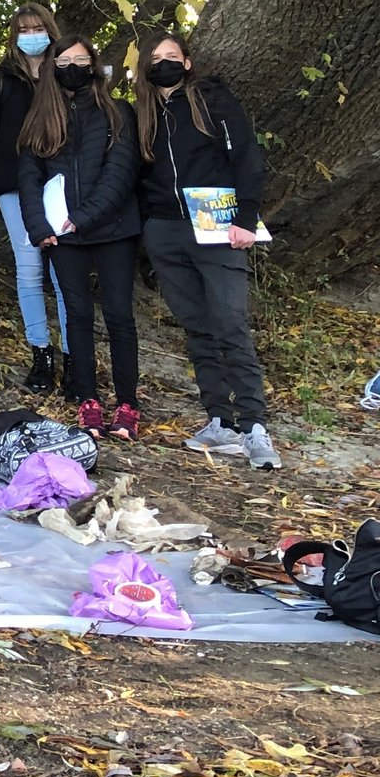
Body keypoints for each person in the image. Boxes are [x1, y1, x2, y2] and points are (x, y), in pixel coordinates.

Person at [135, 32, 278, 468]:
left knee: (230, 322)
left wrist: (245, 218)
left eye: (172, 56)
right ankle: (220, 420)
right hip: (165, 231)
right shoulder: (142, 113)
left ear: (188, 63)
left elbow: (247, 158)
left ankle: (254, 425)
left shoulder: (213, 101)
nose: (164, 64)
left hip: (218, 228)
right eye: (156, 58)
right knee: (197, 327)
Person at [17, 35, 142, 438]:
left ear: (94, 64)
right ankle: (87, 400)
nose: (73, 66)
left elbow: (120, 173)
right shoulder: (40, 117)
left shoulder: (117, 112)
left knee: (120, 316)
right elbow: (29, 175)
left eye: (81, 59)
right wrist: (38, 227)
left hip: (113, 231)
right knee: (78, 315)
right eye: (64, 60)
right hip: (61, 236)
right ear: (52, 67)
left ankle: (127, 404)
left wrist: (83, 217)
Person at [0, 1, 71, 393]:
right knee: (29, 270)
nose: (32, 36)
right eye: (24, 30)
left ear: (50, 30)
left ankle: (74, 354)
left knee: (64, 271)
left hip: (61, 185)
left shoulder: (66, 73)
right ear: (14, 36)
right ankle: (41, 355)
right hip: (12, 185)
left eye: (38, 28)